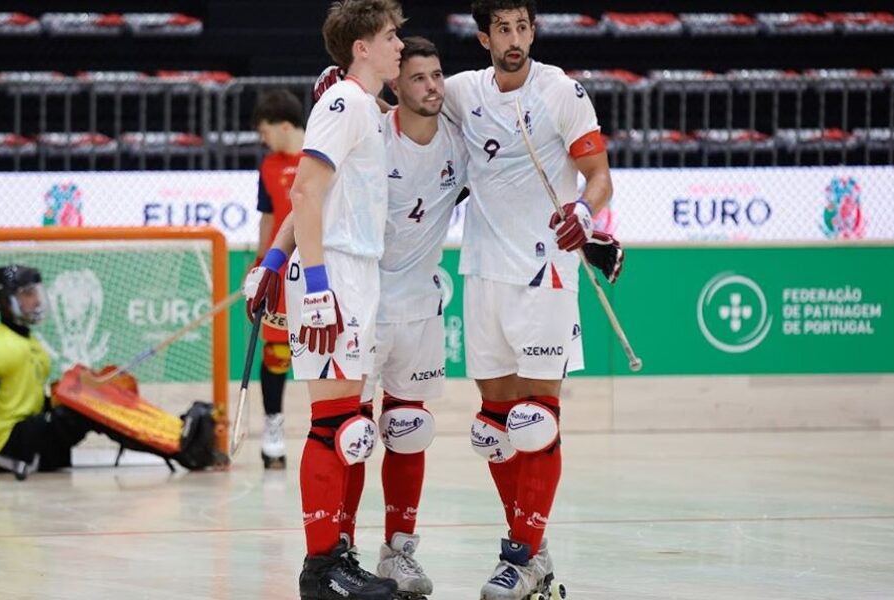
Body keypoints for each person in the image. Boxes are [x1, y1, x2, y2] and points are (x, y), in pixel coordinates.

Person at [441, 1, 623, 598]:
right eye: (503, 29)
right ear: (484, 38)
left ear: (533, 31)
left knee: (536, 420)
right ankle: (534, 547)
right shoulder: (463, 91)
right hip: (483, 271)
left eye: (522, 27)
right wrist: (345, 84)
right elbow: (405, 97)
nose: (514, 38)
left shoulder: (561, 92)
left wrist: (584, 212)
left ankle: (518, 557)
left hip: (547, 271)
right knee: (495, 430)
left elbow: (598, 176)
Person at [244, 2, 405, 599]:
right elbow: (306, 193)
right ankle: (321, 570)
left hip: (354, 270)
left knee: (348, 424)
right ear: (361, 48)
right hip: (332, 271)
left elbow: (316, 197)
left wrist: (273, 260)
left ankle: (337, 557)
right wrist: (313, 284)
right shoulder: (343, 102)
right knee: (333, 424)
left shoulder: (364, 107)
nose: (399, 45)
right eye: (390, 37)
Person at [358, 36, 467, 598]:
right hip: (364, 306)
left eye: (437, 75)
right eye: (419, 77)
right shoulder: (370, 138)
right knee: (351, 435)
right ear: (395, 85)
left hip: (421, 309)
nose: (432, 86)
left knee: (408, 432)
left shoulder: (460, 142)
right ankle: (339, 554)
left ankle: (398, 552)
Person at [0, 265, 212, 474]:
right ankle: (181, 448)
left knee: (93, 392)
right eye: (26, 294)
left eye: (35, 292)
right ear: (3, 301)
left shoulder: (32, 344)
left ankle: (174, 434)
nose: (35, 300)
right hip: (7, 445)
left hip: (29, 436)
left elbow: (25, 400)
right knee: (89, 406)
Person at [250, 88, 307, 470]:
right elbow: (269, 219)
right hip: (281, 270)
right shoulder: (268, 167)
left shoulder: (321, 157)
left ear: (285, 126)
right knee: (276, 352)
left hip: (322, 266)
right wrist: (259, 267)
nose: (263, 139)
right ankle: (273, 432)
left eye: (265, 131)